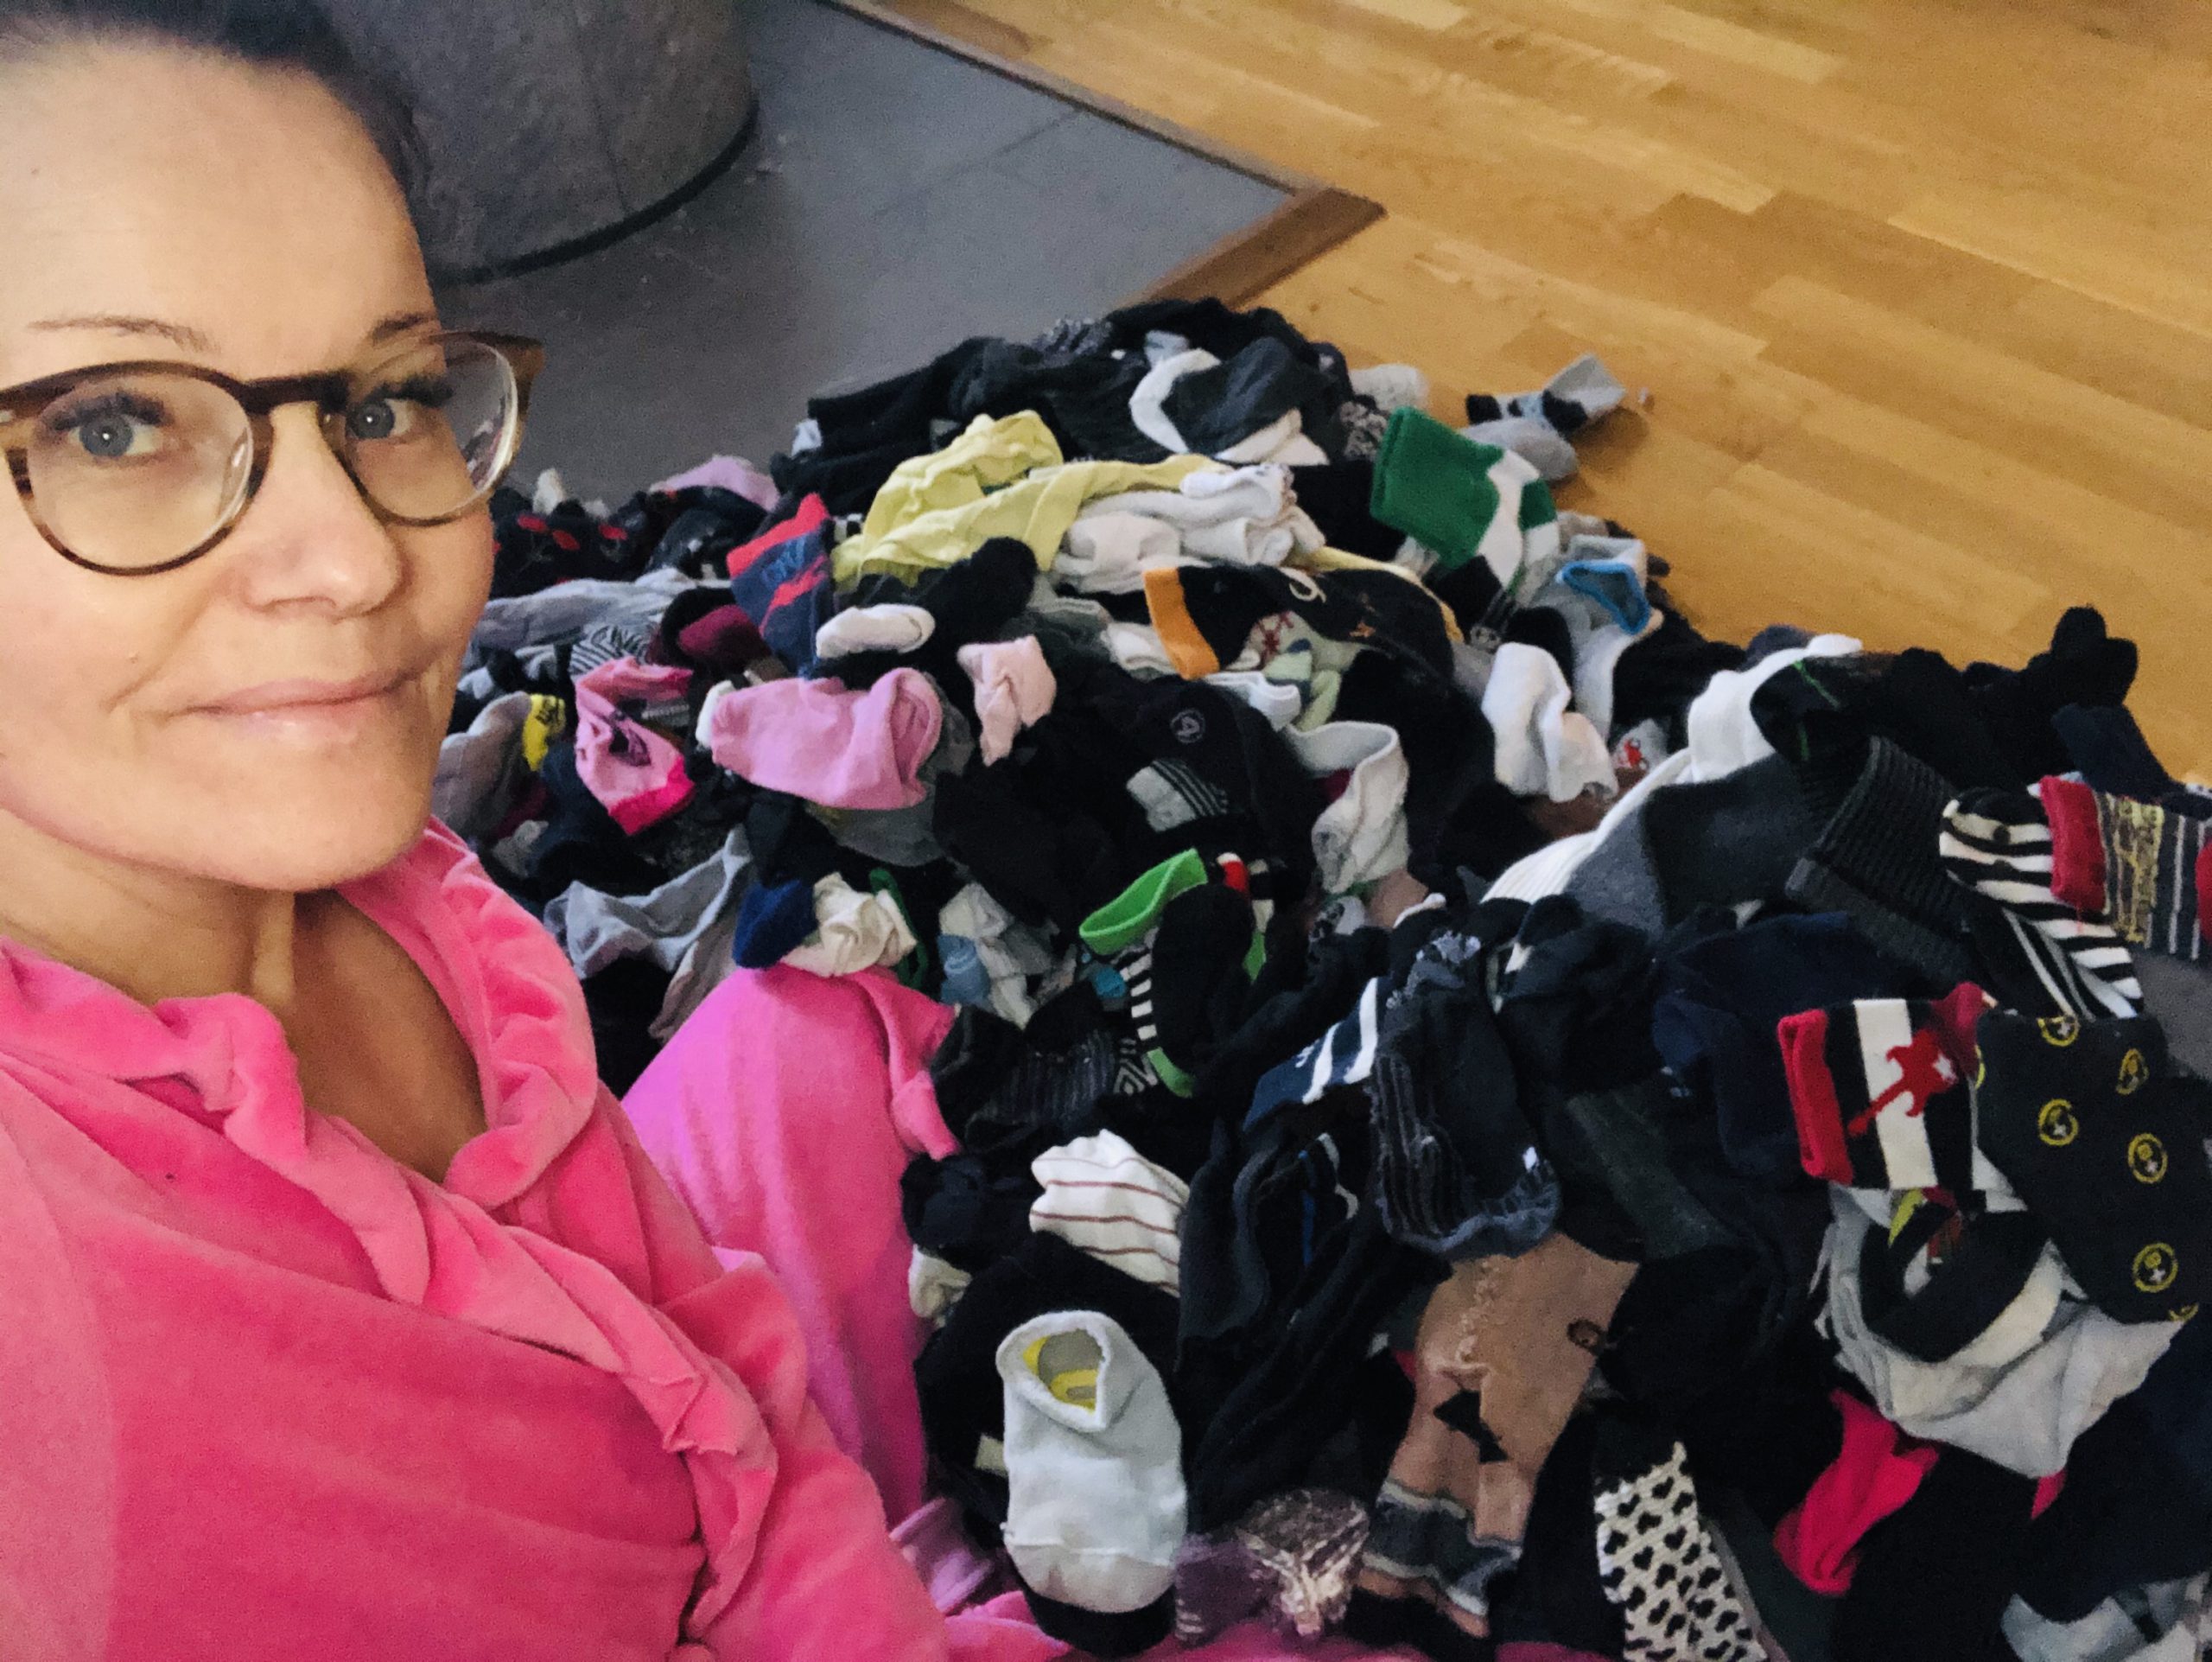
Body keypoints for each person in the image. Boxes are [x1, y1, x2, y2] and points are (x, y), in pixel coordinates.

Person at [0, 4, 1405, 1659]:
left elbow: (733, 1418)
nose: (361, 560)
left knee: (813, 1024)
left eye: (382, 400)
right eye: (113, 426)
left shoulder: (405, 902)